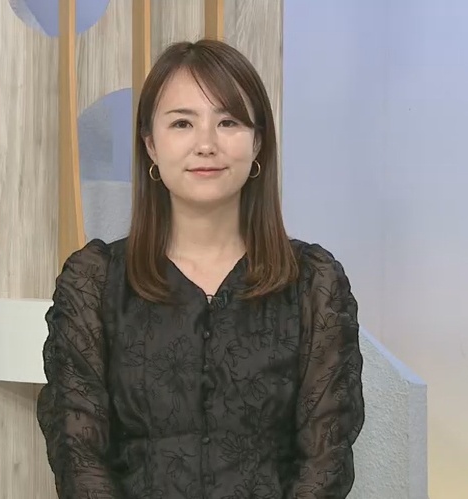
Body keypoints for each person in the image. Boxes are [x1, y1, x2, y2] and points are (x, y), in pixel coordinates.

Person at [36, 39, 365, 499]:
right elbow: (79, 452)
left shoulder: (314, 283)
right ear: (151, 145)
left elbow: (326, 458)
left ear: (258, 142)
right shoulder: (93, 281)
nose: (206, 144)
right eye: (182, 123)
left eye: (228, 122)